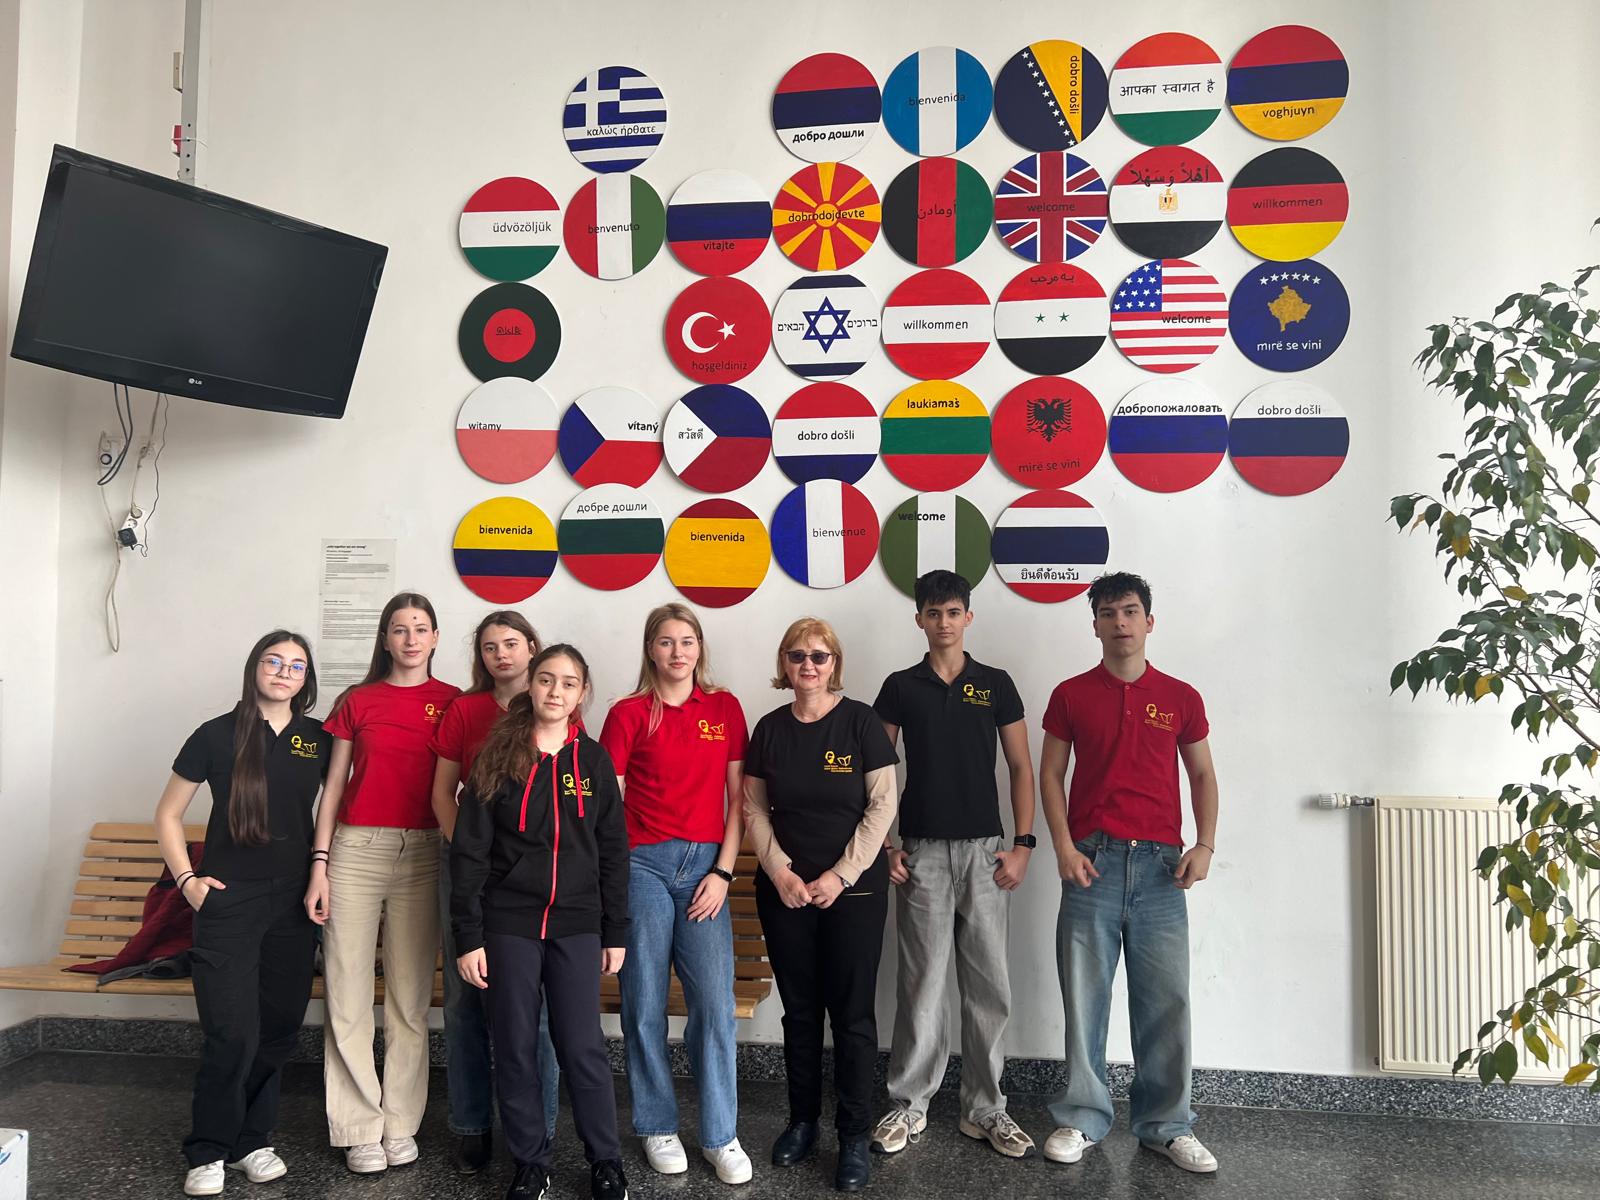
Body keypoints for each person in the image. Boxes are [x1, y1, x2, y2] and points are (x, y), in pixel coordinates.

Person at [1038, 572, 1220, 1174]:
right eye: (1109, 612)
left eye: (1131, 611)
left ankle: (1167, 1126)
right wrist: (1062, 846)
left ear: (1149, 621)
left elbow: (1201, 776)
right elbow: (1049, 775)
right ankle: (1081, 1120)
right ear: (1094, 623)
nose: (1120, 622)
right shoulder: (1070, 695)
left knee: (1166, 1000)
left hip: (1163, 870)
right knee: (1085, 996)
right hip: (1091, 860)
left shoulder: (1181, 696)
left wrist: (1206, 844)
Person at [451, 644, 632, 1200]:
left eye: (569, 683)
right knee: (515, 1043)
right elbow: (470, 852)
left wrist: (616, 930)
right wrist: (469, 936)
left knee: (581, 1045)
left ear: (582, 694)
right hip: (509, 923)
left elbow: (612, 850)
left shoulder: (593, 761)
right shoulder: (496, 757)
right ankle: (531, 1162)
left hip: (577, 924)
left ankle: (605, 1161)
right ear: (531, 686)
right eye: (547, 680)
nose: (556, 691)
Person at [870, 570, 1038, 1160]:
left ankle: (985, 1109)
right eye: (933, 612)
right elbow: (879, 772)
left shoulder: (995, 684)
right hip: (921, 852)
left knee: (989, 984)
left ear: (969, 617)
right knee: (921, 984)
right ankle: (909, 1105)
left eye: (953, 611)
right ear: (919, 619)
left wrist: (1023, 844)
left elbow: (1021, 767)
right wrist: (887, 844)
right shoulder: (899, 687)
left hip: (987, 853)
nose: (943, 621)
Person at [156, 632, 326, 1197]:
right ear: (254, 667)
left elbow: (334, 810)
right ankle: (209, 1148)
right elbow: (168, 813)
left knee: (278, 1028)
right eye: (274, 661)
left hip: (294, 903)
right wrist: (187, 882)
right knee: (231, 1032)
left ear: (306, 680)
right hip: (229, 901)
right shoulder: (215, 734)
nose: (284, 672)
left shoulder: (316, 739)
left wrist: (322, 871)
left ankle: (254, 1140)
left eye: (296, 666)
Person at [304, 592, 459, 1174]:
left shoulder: (453, 703)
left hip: (425, 851)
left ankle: (399, 1121)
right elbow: (334, 786)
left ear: (437, 637)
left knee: (409, 997)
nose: (411, 638)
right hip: (355, 850)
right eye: (400, 629)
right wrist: (320, 863)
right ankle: (357, 1125)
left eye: (421, 628)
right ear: (385, 639)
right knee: (346, 991)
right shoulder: (357, 700)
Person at [598, 603, 752, 1185]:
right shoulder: (630, 713)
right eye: (666, 642)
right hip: (643, 865)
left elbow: (737, 801)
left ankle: (720, 1134)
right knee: (643, 1003)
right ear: (651, 650)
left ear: (700, 648)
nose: (678, 652)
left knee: (713, 1005)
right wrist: (615, 881)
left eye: (688, 641)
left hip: (706, 867)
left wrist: (724, 873)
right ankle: (658, 1124)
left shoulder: (725, 708)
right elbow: (606, 812)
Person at [743, 618, 898, 1193]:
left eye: (819, 656)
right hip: (784, 891)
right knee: (800, 1012)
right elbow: (754, 809)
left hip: (852, 891)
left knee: (853, 1016)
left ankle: (854, 1135)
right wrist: (779, 869)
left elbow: (881, 808)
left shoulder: (860, 722)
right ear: (784, 664)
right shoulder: (769, 729)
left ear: (835, 661)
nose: (808, 666)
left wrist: (839, 874)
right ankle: (802, 1122)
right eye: (797, 656)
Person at [430, 611, 559, 1175]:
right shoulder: (465, 710)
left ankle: (539, 1131)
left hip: (535, 885)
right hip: (469, 873)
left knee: (537, 1008)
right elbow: (442, 795)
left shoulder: (556, 706)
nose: (501, 655)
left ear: (532, 648)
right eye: (489, 647)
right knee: (465, 1000)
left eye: (511, 644)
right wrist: (474, 857)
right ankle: (471, 1125)